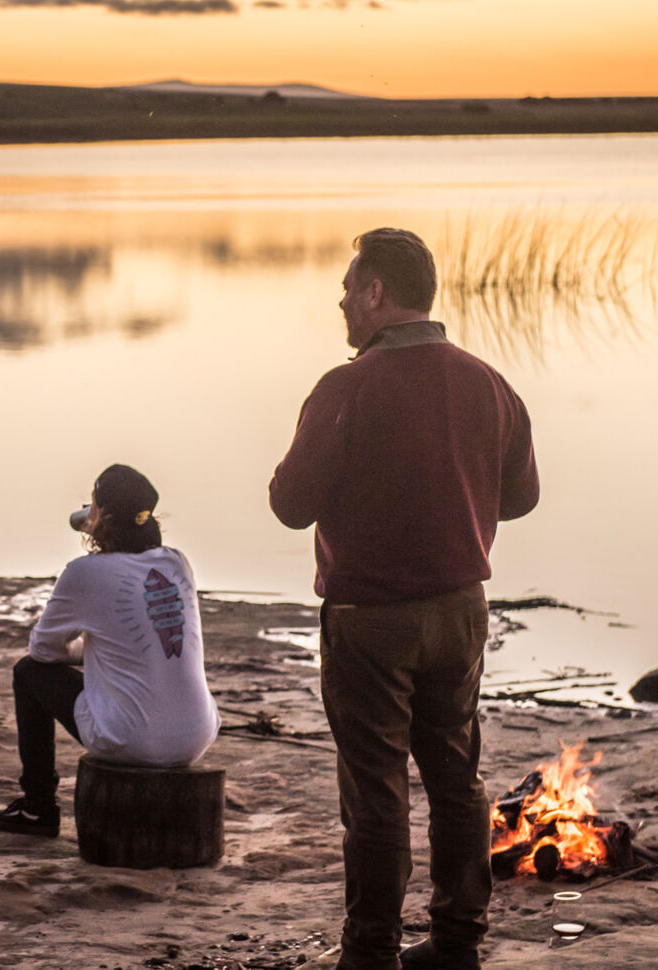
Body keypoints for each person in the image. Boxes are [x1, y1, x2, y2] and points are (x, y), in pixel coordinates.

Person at [269, 228, 539, 970]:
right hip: (461, 612)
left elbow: (290, 505)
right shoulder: (489, 382)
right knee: (457, 780)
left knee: (377, 790)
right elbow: (521, 498)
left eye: (350, 287)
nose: (342, 301)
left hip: (371, 620)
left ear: (378, 294)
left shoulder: (346, 387)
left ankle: (371, 951)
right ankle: (456, 942)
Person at [0, 464, 219, 838]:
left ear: (99, 520)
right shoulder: (178, 562)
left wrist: (89, 649)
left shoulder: (84, 573)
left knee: (27, 672)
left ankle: (37, 806)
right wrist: (102, 647)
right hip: (196, 736)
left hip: (130, 739)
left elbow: (43, 651)